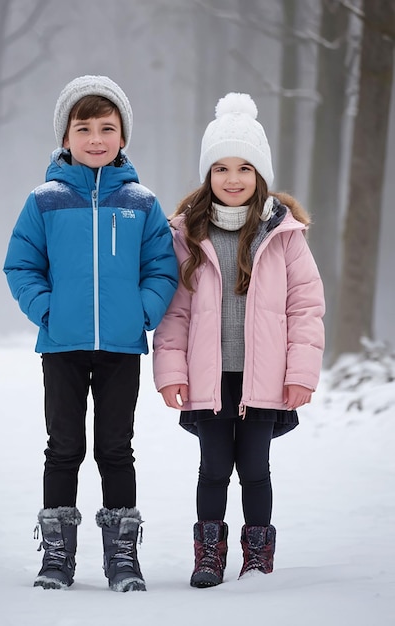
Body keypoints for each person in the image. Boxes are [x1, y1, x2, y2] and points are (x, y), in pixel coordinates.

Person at [3, 75, 178, 592]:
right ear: (66, 136)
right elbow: (21, 265)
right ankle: (57, 555)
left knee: (115, 449)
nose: (96, 138)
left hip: (121, 348)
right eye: (84, 128)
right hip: (62, 346)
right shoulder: (45, 200)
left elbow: (163, 268)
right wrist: (47, 311)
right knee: (63, 447)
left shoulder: (142, 202)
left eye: (108, 127)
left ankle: (122, 554)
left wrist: (141, 313)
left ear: (123, 136)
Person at [153, 92, 325, 588]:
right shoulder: (187, 235)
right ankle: (209, 552)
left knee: (254, 467)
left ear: (261, 175)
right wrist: (171, 373)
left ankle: (257, 553)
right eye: (221, 168)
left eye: (245, 168)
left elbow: (305, 310)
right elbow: (175, 312)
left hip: (264, 379)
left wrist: (299, 375)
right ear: (208, 176)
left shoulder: (285, 236)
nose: (233, 179)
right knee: (213, 468)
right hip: (210, 378)